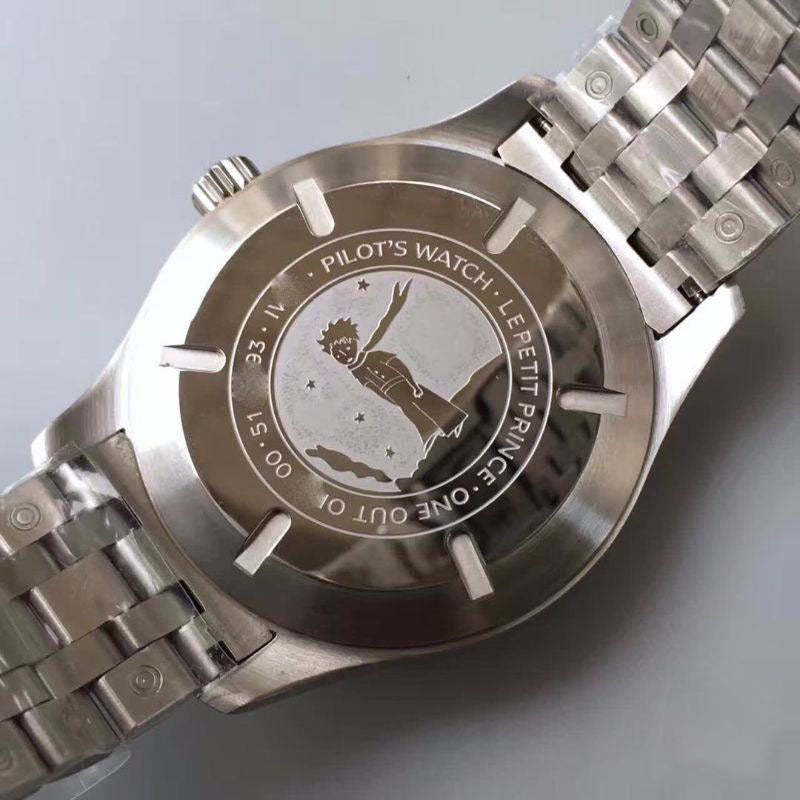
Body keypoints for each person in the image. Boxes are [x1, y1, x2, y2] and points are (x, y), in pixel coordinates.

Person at [318, 280, 467, 455]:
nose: (345, 354)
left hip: (406, 387)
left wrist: (413, 384)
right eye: (338, 354)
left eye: (347, 346)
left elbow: (396, 362)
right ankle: (432, 437)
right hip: (395, 398)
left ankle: (456, 424)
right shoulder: (355, 373)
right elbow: (372, 390)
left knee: (430, 403)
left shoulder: (371, 355)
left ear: (356, 341)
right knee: (415, 416)